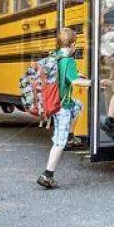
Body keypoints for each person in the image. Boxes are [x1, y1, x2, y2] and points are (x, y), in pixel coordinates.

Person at [37, 28, 91, 189]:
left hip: (56, 102)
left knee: (78, 105)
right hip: (61, 107)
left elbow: (67, 74)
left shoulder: (56, 56)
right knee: (59, 143)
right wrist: (92, 83)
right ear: (73, 44)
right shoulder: (69, 60)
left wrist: (78, 75)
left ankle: (71, 136)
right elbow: (73, 82)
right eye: (76, 44)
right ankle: (47, 174)